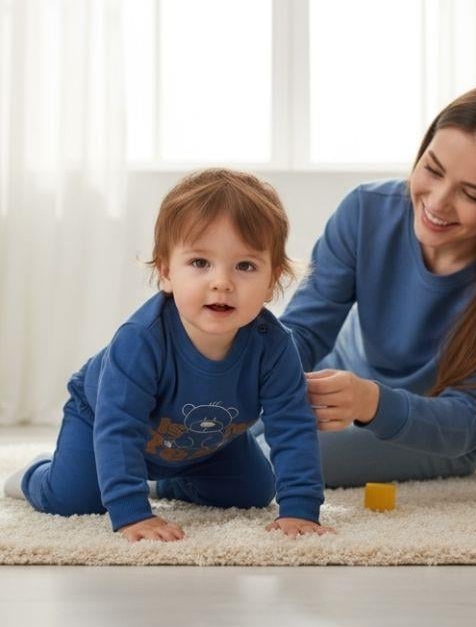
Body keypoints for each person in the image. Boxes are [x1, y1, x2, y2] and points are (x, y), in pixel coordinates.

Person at [4, 169, 333, 541]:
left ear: (271, 281)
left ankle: (165, 485)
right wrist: (132, 513)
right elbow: (119, 427)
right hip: (102, 420)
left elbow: (292, 427)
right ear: (165, 272)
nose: (221, 282)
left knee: (253, 492)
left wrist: (300, 510)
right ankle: (33, 475)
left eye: (245, 266)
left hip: (203, 442)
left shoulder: (274, 347)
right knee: (74, 498)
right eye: (200, 263)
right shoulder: (141, 341)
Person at [278, 82, 476, 487]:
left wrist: (371, 402)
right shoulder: (366, 211)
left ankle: (167, 483)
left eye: (472, 195)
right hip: (338, 398)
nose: (437, 202)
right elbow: (303, 331)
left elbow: (470, 419)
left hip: (441, 436)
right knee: (225, 432)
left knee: (286, 457)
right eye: (432, 169)